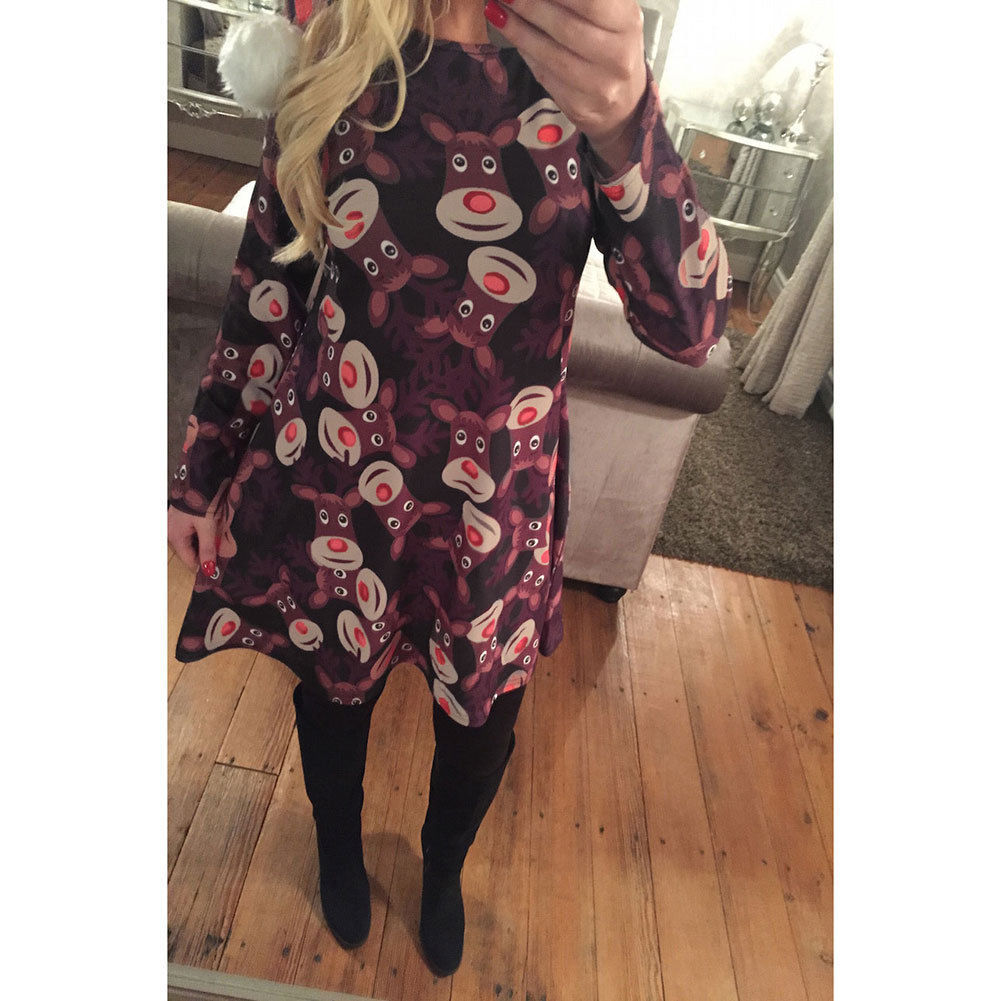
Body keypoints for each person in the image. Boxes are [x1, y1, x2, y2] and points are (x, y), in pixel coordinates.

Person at [167, 0, 731, 978]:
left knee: (479, 724)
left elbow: (689, 329)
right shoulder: (332, 58)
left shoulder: (581, 80)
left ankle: (441, 870)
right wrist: (200, 469)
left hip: (491, 506)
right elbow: (266, 288)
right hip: (336, 479)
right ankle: (337, 844)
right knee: (332, 693)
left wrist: (625, 125)